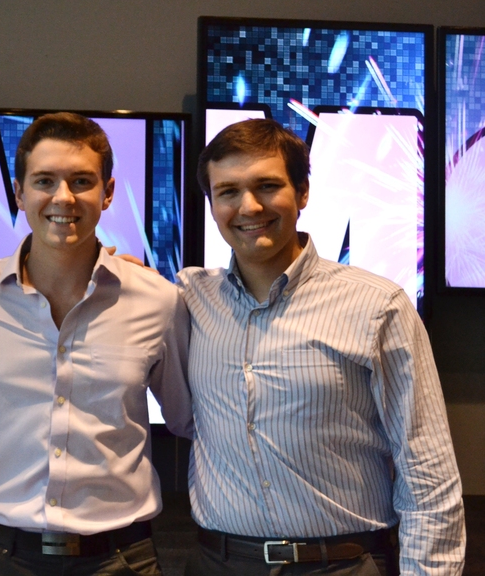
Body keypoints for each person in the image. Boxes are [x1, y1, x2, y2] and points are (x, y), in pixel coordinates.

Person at [177, 118, 465, 575]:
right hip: (219, 562)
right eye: (227, 191)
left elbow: (427, 475)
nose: (248, 206)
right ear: (211, 204)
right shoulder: (190, 298)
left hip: (343, 564)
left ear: (303, 192)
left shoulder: (378, 305)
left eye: (267, 186)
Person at [0, 112, 192, 576]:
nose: (63, 197)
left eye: (81, 181)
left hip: (123, 559)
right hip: (1, 558)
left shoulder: (157, 301)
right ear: (19, 192)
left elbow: (188, 417)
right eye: (45, 181)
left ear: (107, 192)